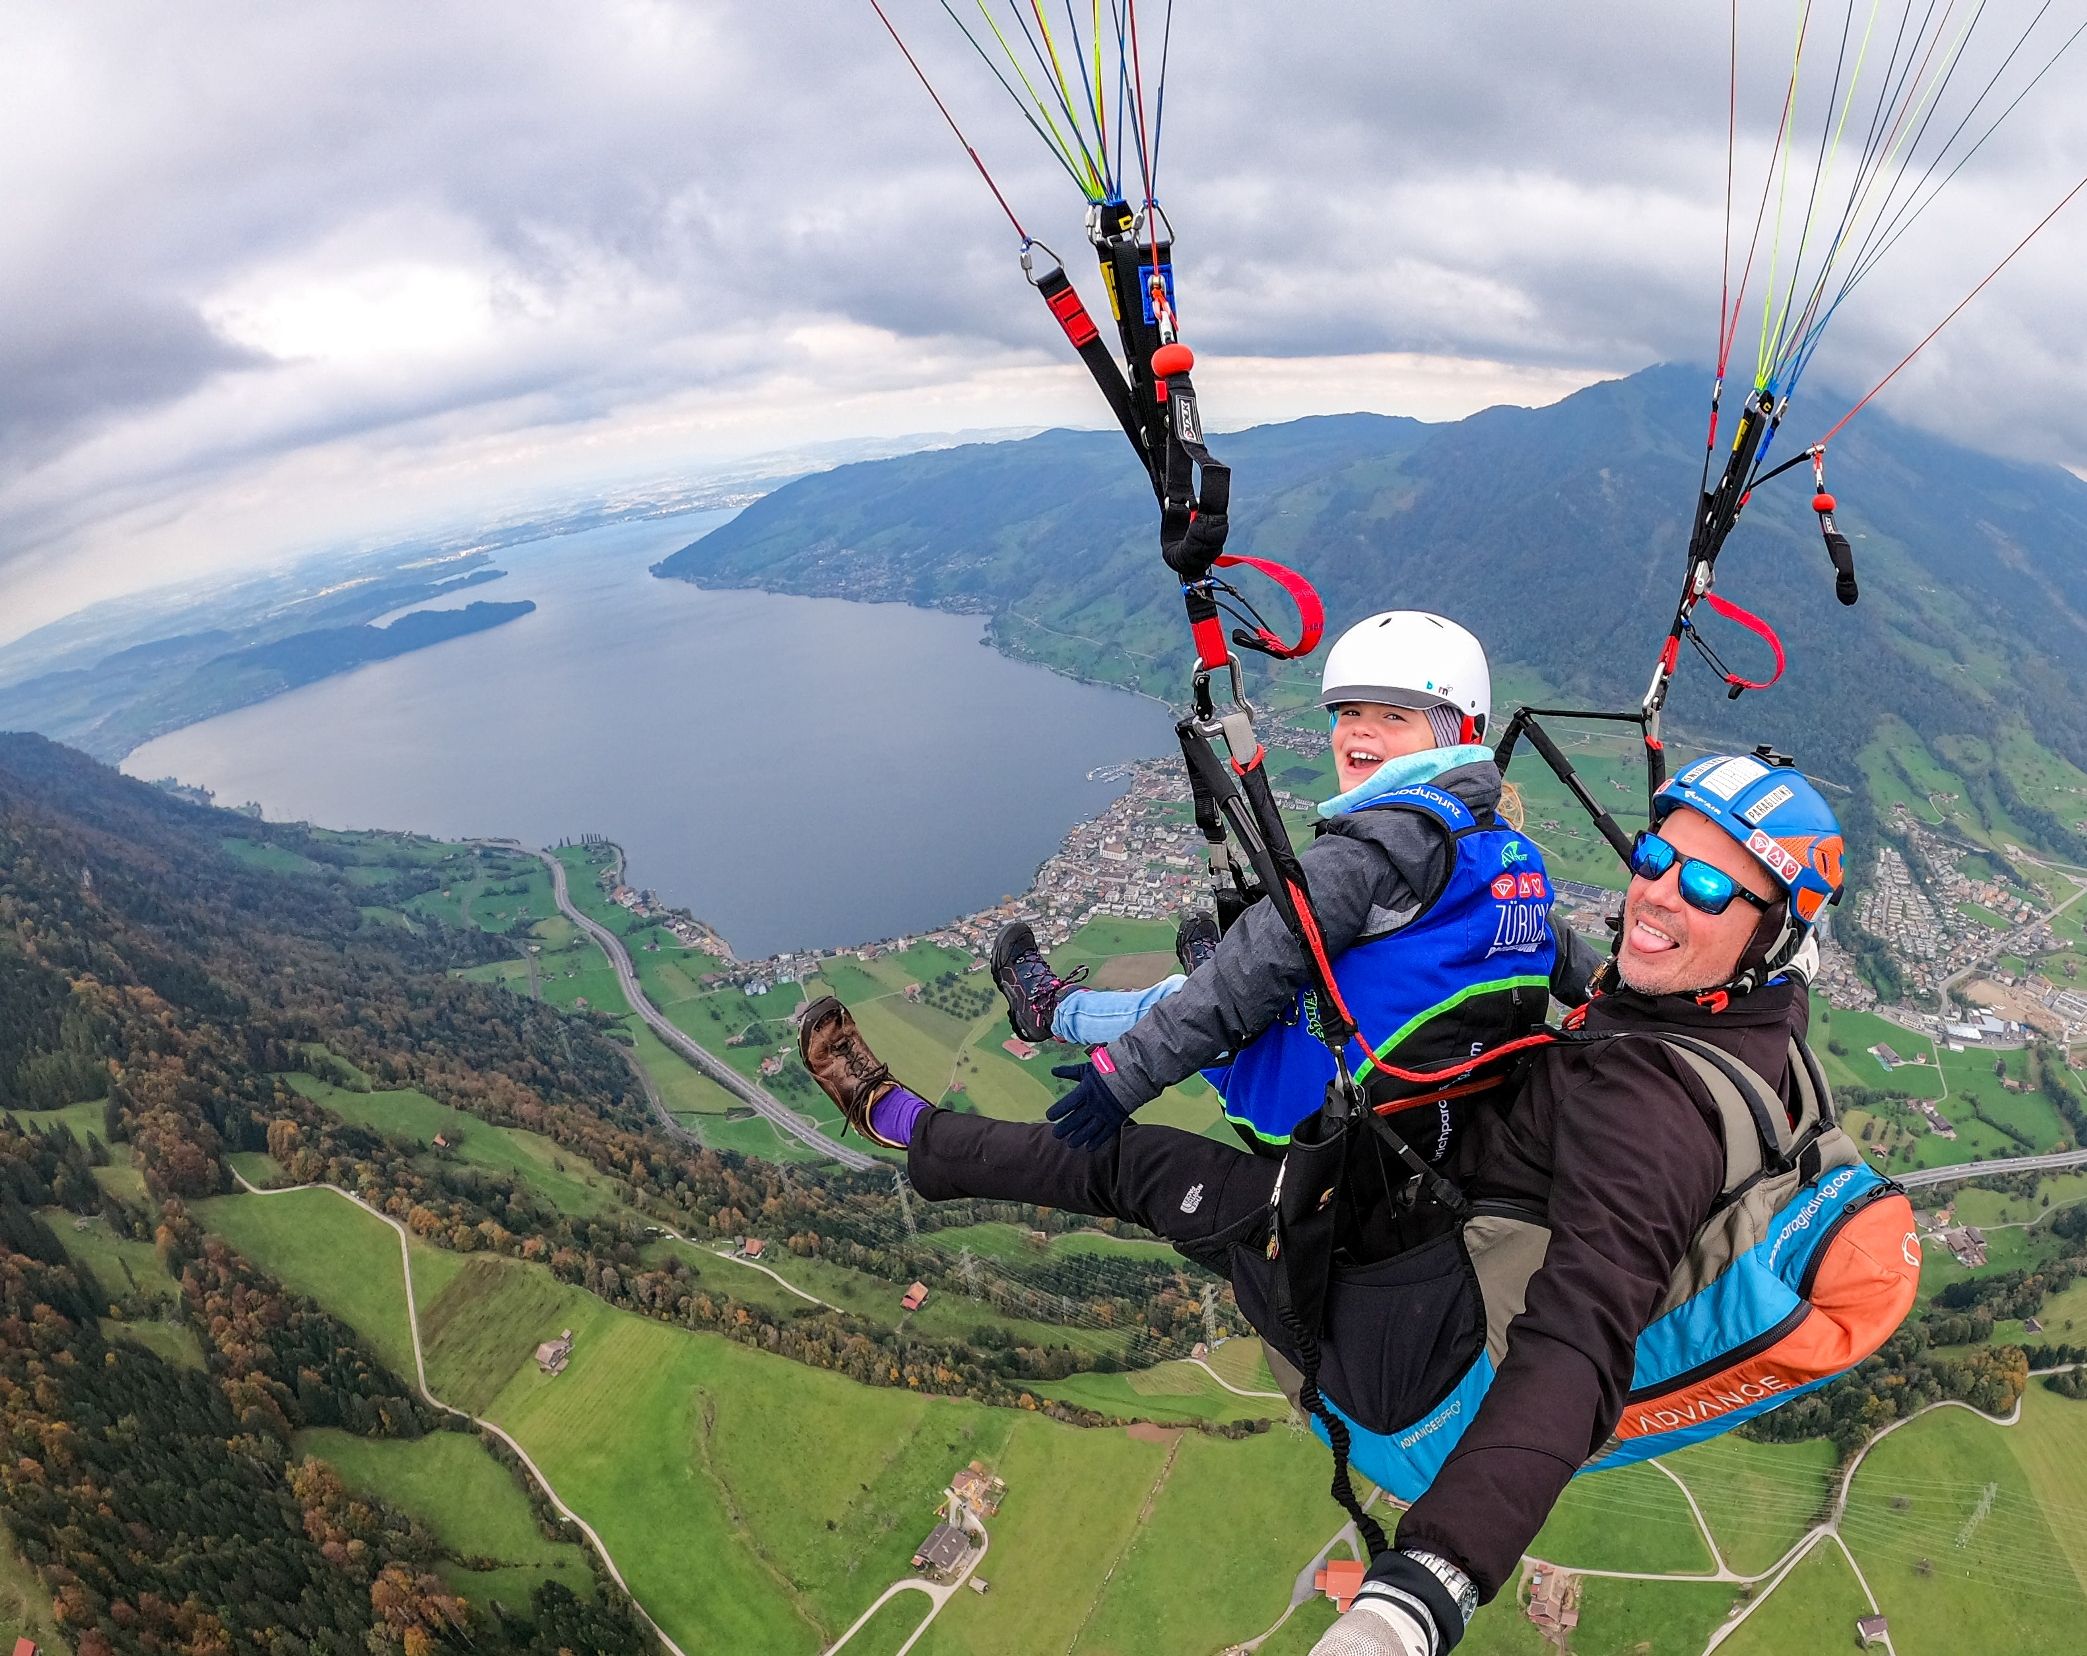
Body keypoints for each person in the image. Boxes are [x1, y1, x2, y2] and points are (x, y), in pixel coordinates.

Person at [799, 752, 1866, 1656]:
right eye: (1653, 856)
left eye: (1709, 887)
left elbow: (1580, 1343)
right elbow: (1574, 977)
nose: (1659, 893)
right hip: (1429, 1230)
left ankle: (903, 1128)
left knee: (1130, 1165)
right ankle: (1099, 1025)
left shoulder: (1654, 1113)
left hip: (1401, 1355)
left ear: (1771, 933)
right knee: (1279, 1046)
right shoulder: (1729, 1024)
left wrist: (1425, 1589)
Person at [991, 610, 1600, 1154]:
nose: (1359, 730)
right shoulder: (1508, 856)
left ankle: (1052, 1013)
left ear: (1458, 734)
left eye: (1393, 716)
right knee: (1234, 974)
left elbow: (1245, 977)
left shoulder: (1366, 854)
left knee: (1192, 993)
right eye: (1349, 712)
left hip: (1315, 1119)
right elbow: (1578, 967)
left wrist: (1123, 1076)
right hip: (1426, 1122)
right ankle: (1202, 971)